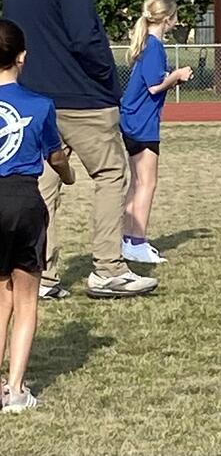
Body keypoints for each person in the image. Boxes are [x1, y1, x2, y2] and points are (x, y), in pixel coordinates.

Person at [2, 0, 158, 299]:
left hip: (35, 97)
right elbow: (85, 37)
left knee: (44, 185)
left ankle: (41, 275)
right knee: (110, 174)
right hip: (81, 98)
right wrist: (108, 78)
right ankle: (108, 268)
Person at [0, 20, 75, 412]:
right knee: (26, 299)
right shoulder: (40, 105)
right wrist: (68, 174)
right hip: (23, 200)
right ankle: (15, 390)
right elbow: (56, 157)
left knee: (1, 297)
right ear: (22, 57)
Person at [120, 0, 193, 264]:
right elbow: (154, 86)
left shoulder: (147, 45)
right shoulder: (154, 47)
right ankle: (137, 242)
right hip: (142, 122)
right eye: (176, 16)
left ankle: (127, 239)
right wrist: (176, 76)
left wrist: (172, 79)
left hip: (132, 119)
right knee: (147, 183)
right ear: (167, 19)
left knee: (137, 182)